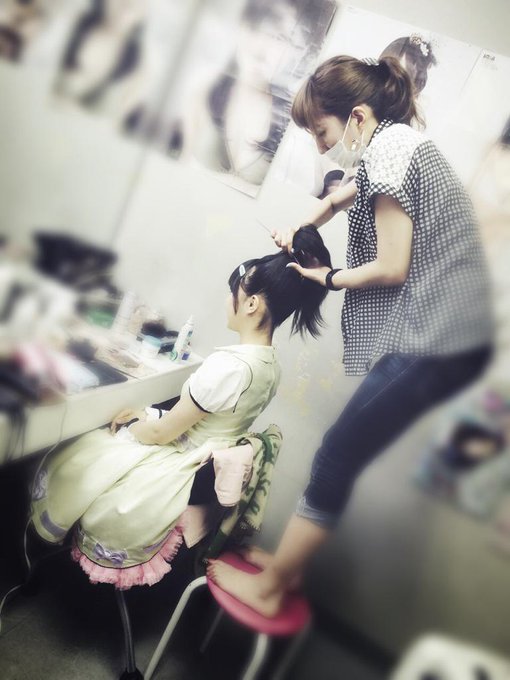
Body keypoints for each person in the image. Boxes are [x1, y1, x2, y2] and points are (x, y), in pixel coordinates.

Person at [207, 54, 494, 616]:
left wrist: (328, 277)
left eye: (322, 133)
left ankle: (271, 589)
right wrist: (305, 223)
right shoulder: (397, 144)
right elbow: (343, 195)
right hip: (448, 331)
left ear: (357, 117)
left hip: (438, 337)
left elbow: (392, 267)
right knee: (343, 451)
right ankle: (287, 571)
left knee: (338, 451)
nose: (320, 148)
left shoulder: (388, 152)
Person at [30, 228, 332, 588]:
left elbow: (162, 434)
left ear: (251, 304)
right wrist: (148, 414)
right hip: (202, 461)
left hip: (179, 464)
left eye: (233, 293)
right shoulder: (269, 365)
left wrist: (131, 426)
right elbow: (211, 420)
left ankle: (37, 547)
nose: (228, 300)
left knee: (82, 450)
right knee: (122, 428)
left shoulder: (229, 366)